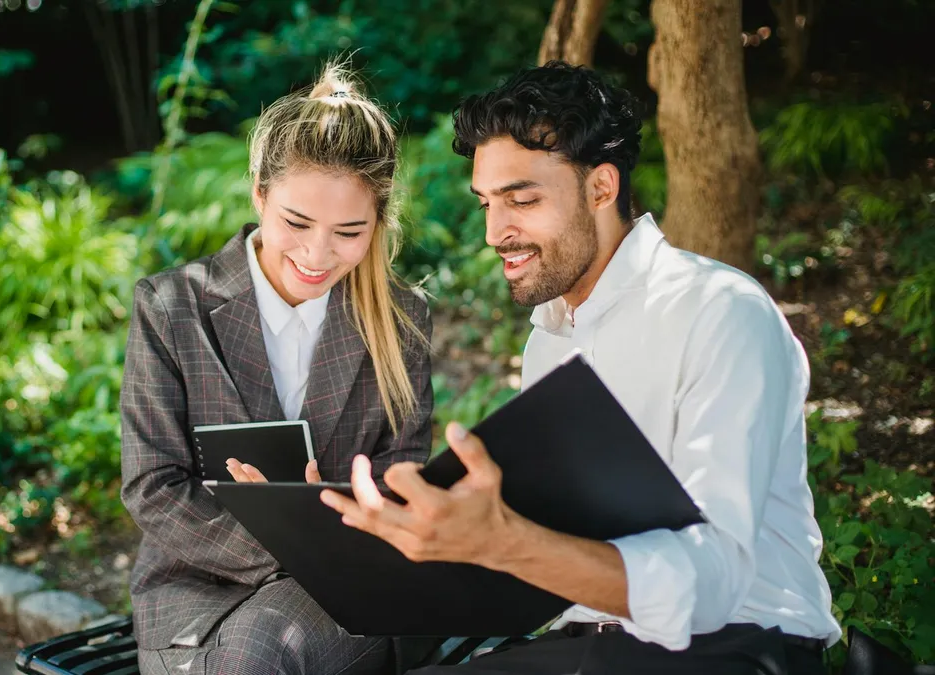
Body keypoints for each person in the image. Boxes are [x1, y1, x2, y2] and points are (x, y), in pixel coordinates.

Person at [320, 61, 842, 675]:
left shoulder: (720, 313)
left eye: (522, 200)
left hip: (737, 646)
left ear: (601, 188)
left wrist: (504, 540)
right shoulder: (553, 338)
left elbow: (712, 583)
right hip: (585, 643)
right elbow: (553, 549)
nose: (495, 232)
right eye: (487, 203)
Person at [120, 62, 434, 675]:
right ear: (259, 194)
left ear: (379, 222)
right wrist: (287, 543)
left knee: (257, 657)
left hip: (338, 589)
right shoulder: (172, 306)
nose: (317, 255)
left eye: (349, 231)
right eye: (296, 223)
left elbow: (403, 478)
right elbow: (152, 485)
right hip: (193, 594)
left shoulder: (402, 321)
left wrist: (324, 536)